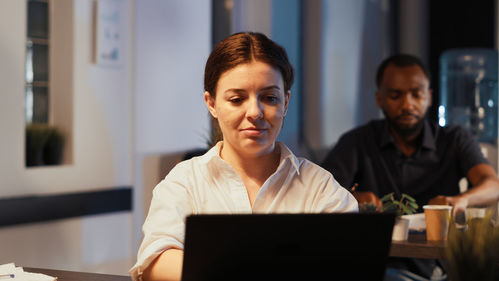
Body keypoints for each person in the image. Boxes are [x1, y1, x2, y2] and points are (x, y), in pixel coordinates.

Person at [129, 32, 358, 281]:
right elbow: (156, 262)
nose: (254, 112)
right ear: (212, 103)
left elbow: (346, 264)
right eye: (237, 99)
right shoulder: (185, 181)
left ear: (286, 102)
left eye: (269, 98)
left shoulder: (320, 188)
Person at [321, 53, 499, 280]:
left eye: (417, 94)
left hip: (441, 267)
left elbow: (493, 186)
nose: (408, 104)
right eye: (396, 95)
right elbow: (320, 193)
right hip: (379, 265)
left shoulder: (454, 139)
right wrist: (351, 198)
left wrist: (461, 200)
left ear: (429, 96)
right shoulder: (358, 141)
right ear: (380, 99)